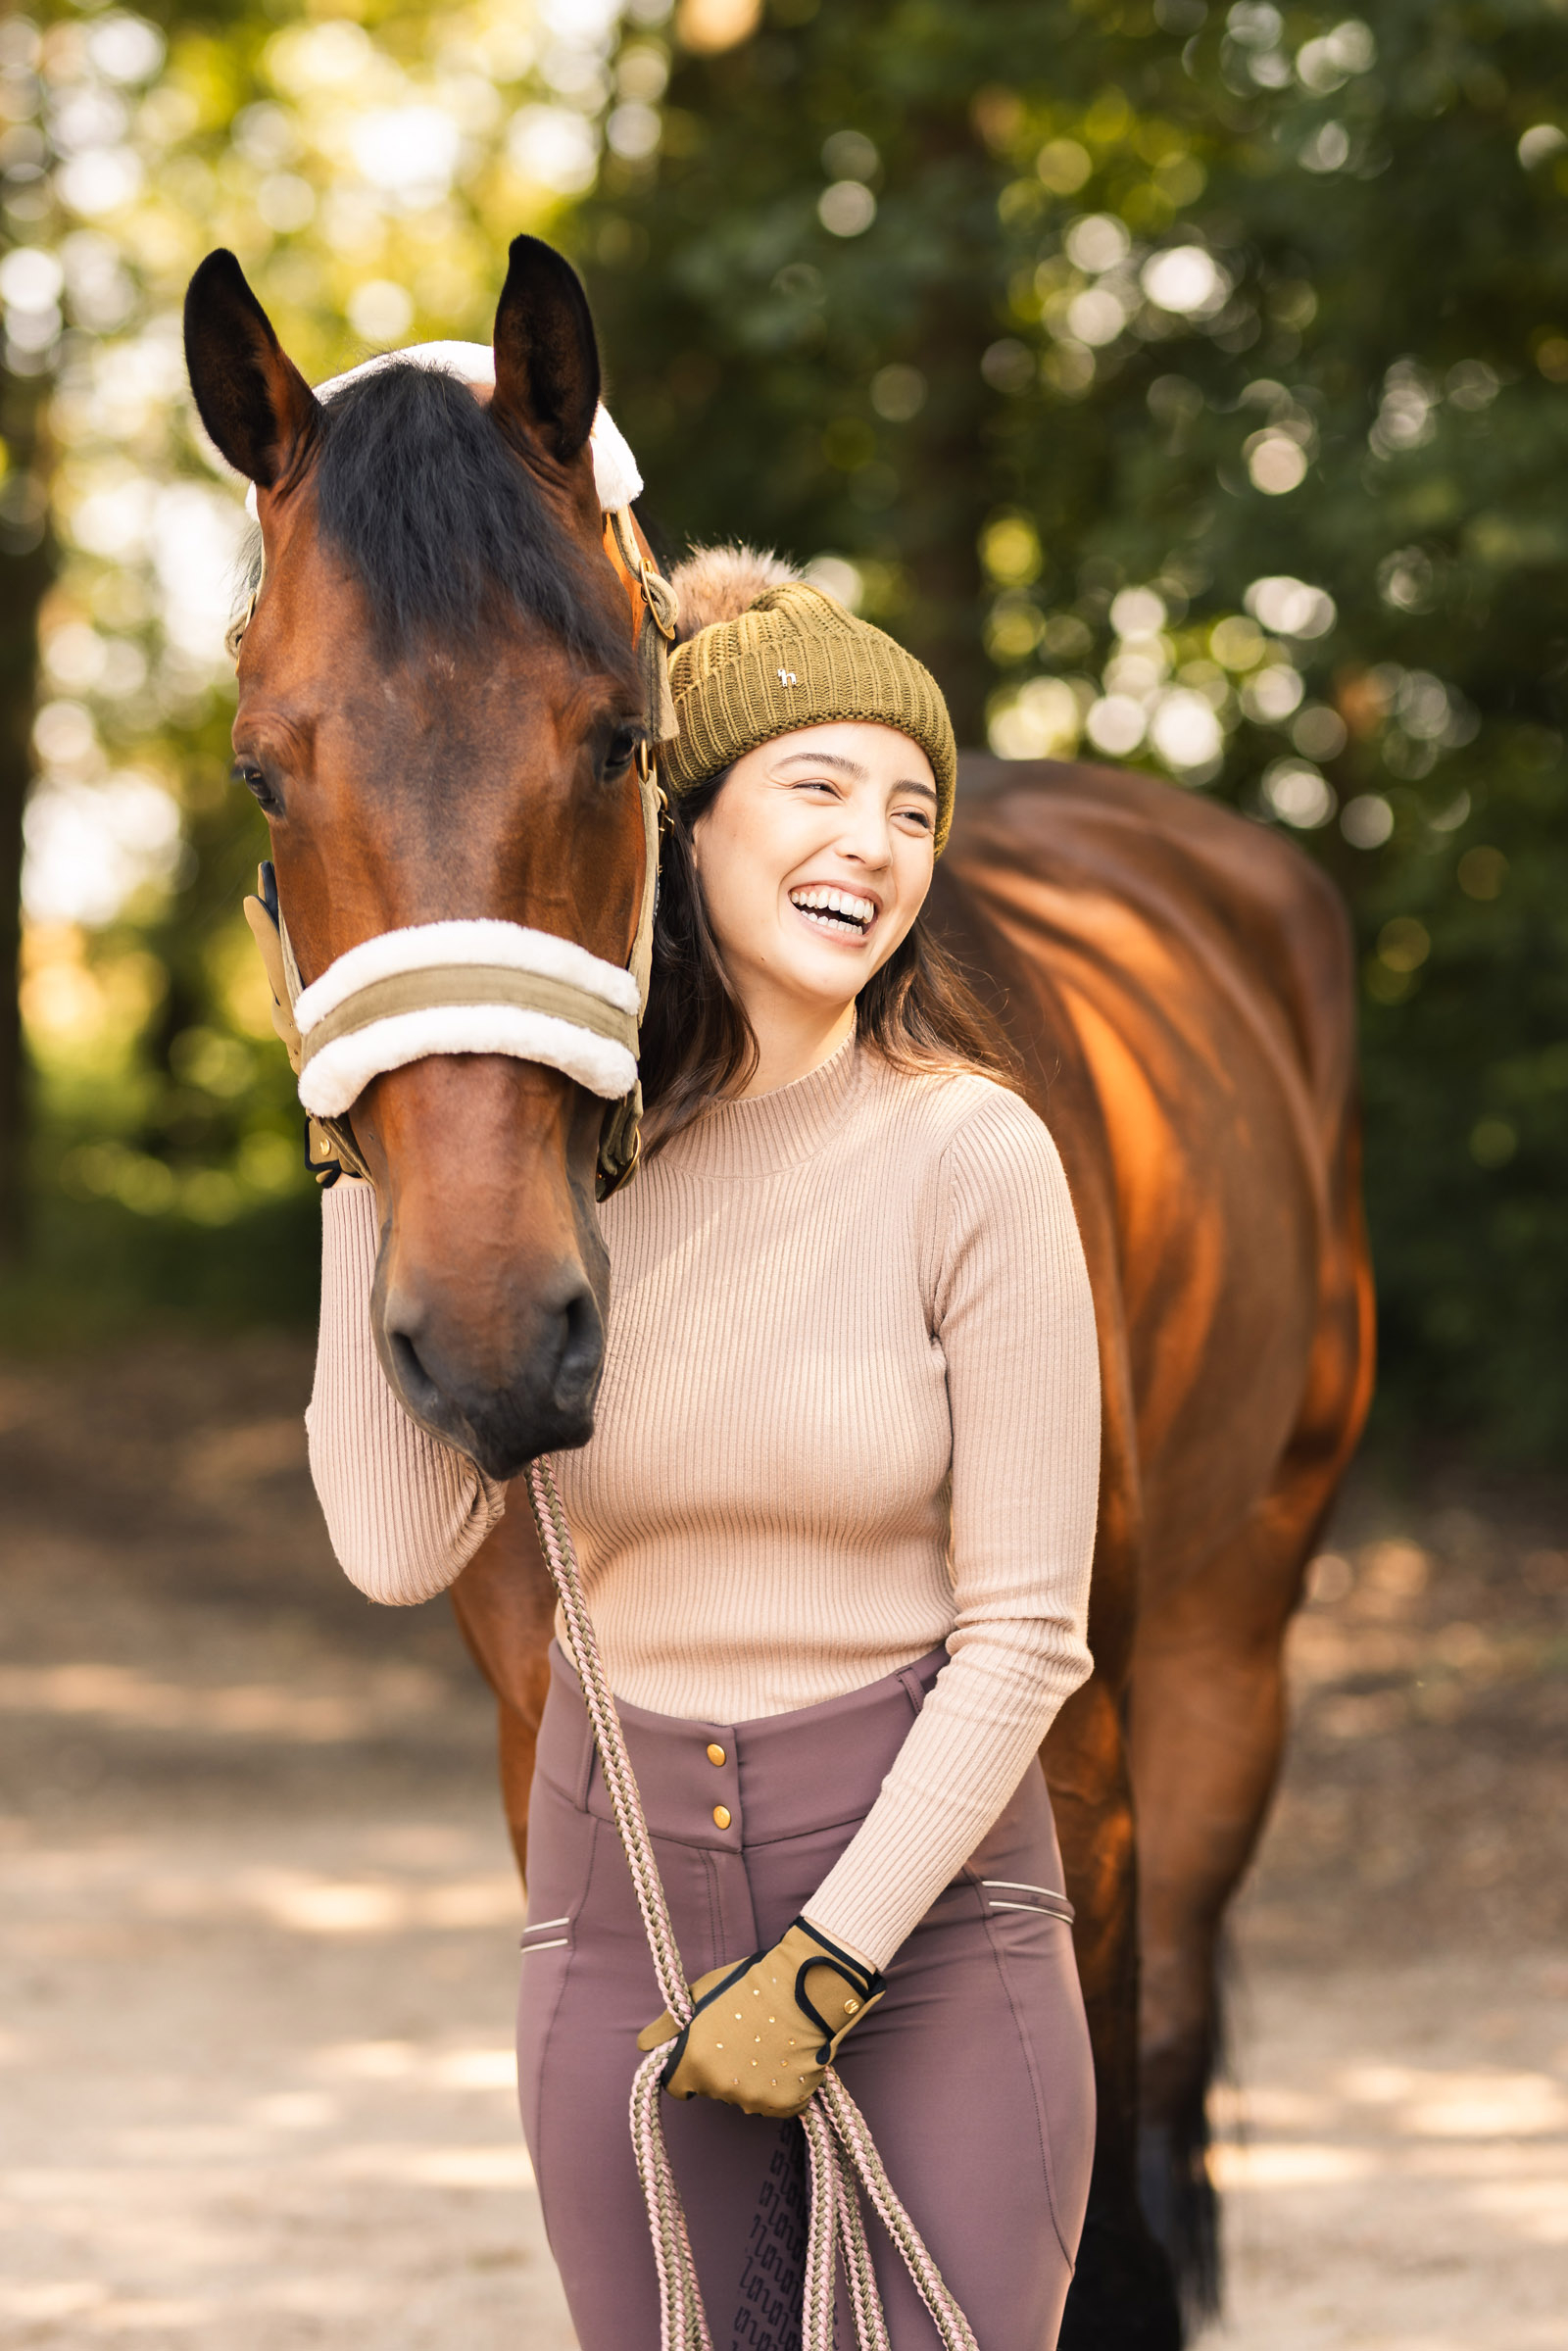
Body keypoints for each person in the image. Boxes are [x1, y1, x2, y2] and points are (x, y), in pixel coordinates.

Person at [307, 558, 1102, 2350]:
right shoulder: (563, 1187)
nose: (872, 843)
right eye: (818, 785)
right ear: (688, 821)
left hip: (932, 1924)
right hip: (623, 1910)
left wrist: (827, 1966)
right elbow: (391, 1544)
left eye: (912, 809)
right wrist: (361, 1133)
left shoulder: (974, 1157)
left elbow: (1030, 1631)